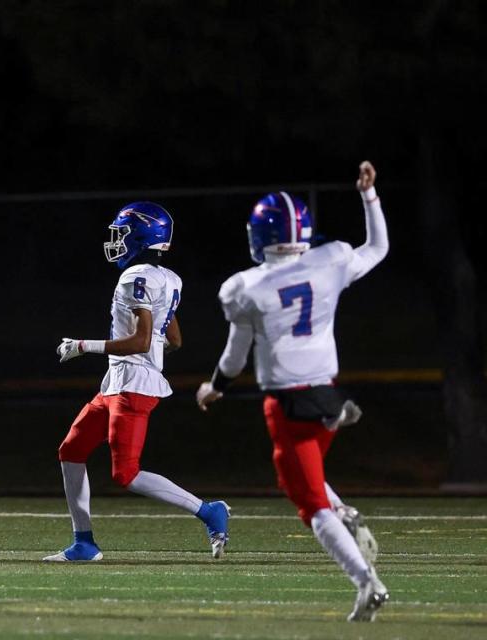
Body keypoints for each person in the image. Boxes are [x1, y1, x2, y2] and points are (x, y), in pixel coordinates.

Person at [195, 161, 389, 621]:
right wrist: (369, 196)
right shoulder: (331, 260)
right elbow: (378, 247)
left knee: (309, 503)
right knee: (309, 475)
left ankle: (367, 582)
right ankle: (343, 508)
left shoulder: (246, 287)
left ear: (259, 235)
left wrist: (214, 387)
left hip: (287, 403)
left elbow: (235, 355)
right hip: (327, 395)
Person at [44, 202, 231, 563]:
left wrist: (83, 346)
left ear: (143, 237)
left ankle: (210, 512)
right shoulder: (169, 278)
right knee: (71, 449)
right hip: (117, 381)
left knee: (125, 473)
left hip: (132, 384)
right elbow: (172, 339)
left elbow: (143, 340)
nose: (116, 241)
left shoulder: (135, 277)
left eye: (122, 233)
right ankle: (84, 543)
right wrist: (148, 358)